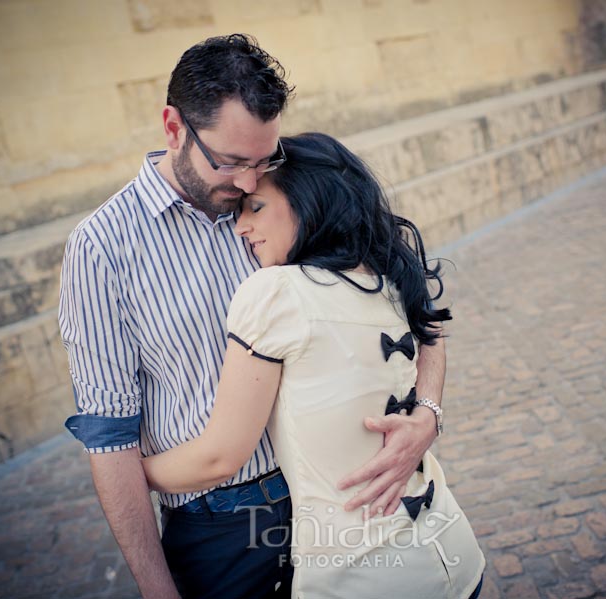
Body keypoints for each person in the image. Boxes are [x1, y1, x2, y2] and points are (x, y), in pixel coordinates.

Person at [59, 34, 446, 599]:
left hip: (337, 508)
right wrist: (157, 590)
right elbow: (109, 434)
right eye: (231, 162)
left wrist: (429, 414)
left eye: (263, 160)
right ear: (173, 128)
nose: (246, 183)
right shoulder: (102, 247)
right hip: (223, 530)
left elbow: (412, 301)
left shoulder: (287, 196)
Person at [142, 132, 485, 599]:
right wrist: (428, 413)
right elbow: (434, 333)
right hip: (455, 556)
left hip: (363, 578)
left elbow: (220, 456)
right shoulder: (387, 273)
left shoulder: (275, 292)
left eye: (256, 207)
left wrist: (132, 472)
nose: (242, 227)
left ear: (308, 203)